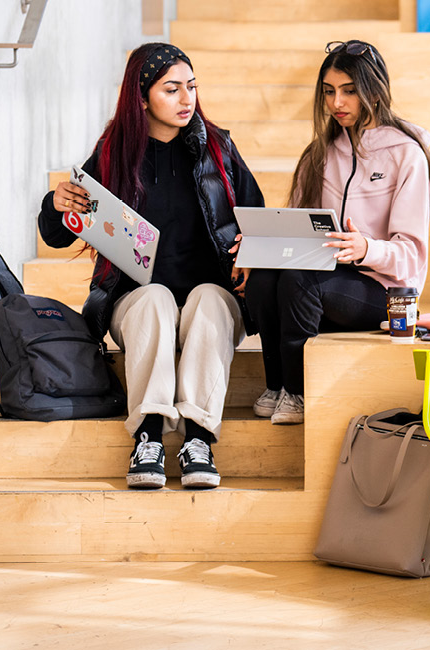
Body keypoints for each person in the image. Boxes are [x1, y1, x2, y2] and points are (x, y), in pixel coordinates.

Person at [38, 43, 265, 490]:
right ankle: (150, 438)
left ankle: (199, 438)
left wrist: (249, 255)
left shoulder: (218, 149)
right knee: (156, 300)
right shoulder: (114, 151)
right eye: (172, 89)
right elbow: (58, 233)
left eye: (192, 87)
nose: (187, 100)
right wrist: (55, 204)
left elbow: (256, 218)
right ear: (142, 97)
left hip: (213, 299)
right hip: (136, 302)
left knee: (206, 300)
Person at [243, 40, 430, 425]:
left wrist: (365, 247)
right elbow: (294, 232)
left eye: (349, 90)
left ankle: (298, 391)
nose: (338, 103)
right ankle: (278, 385)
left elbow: (411, 257)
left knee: (302, 278)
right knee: (264, 279)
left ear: (374, 89)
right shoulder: (318, 154)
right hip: (322, 284)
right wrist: (259, 252)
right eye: (330, 92)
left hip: (385, 294)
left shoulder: (406, 155)